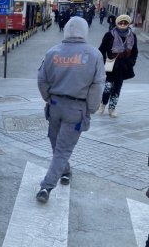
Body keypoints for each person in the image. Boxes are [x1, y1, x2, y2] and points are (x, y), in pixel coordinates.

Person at [36, 17, 105, 203]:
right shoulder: (94, 55)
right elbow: (97, 86)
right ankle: (47, 186)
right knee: (62, 149)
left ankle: (64, 171)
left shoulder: (52, 52)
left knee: (56, 143)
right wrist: (90, 109)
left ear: (66, 30)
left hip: (55, 106)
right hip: (77, 108)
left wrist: (48, 98)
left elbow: (42, 80)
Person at [97, 14, 138, 118]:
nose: (123, 24)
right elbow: (101, 50)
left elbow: (135, 52)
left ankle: (112, 108)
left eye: (125, 22)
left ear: (128, 24)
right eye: (121, 22)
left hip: (123, 67)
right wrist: (104, 61)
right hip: (111, 66)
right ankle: (103, 104)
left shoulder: (132, 36)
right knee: (108, 86)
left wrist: (131, 62)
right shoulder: (109, 35)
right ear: (117, 23)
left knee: (117, 88)